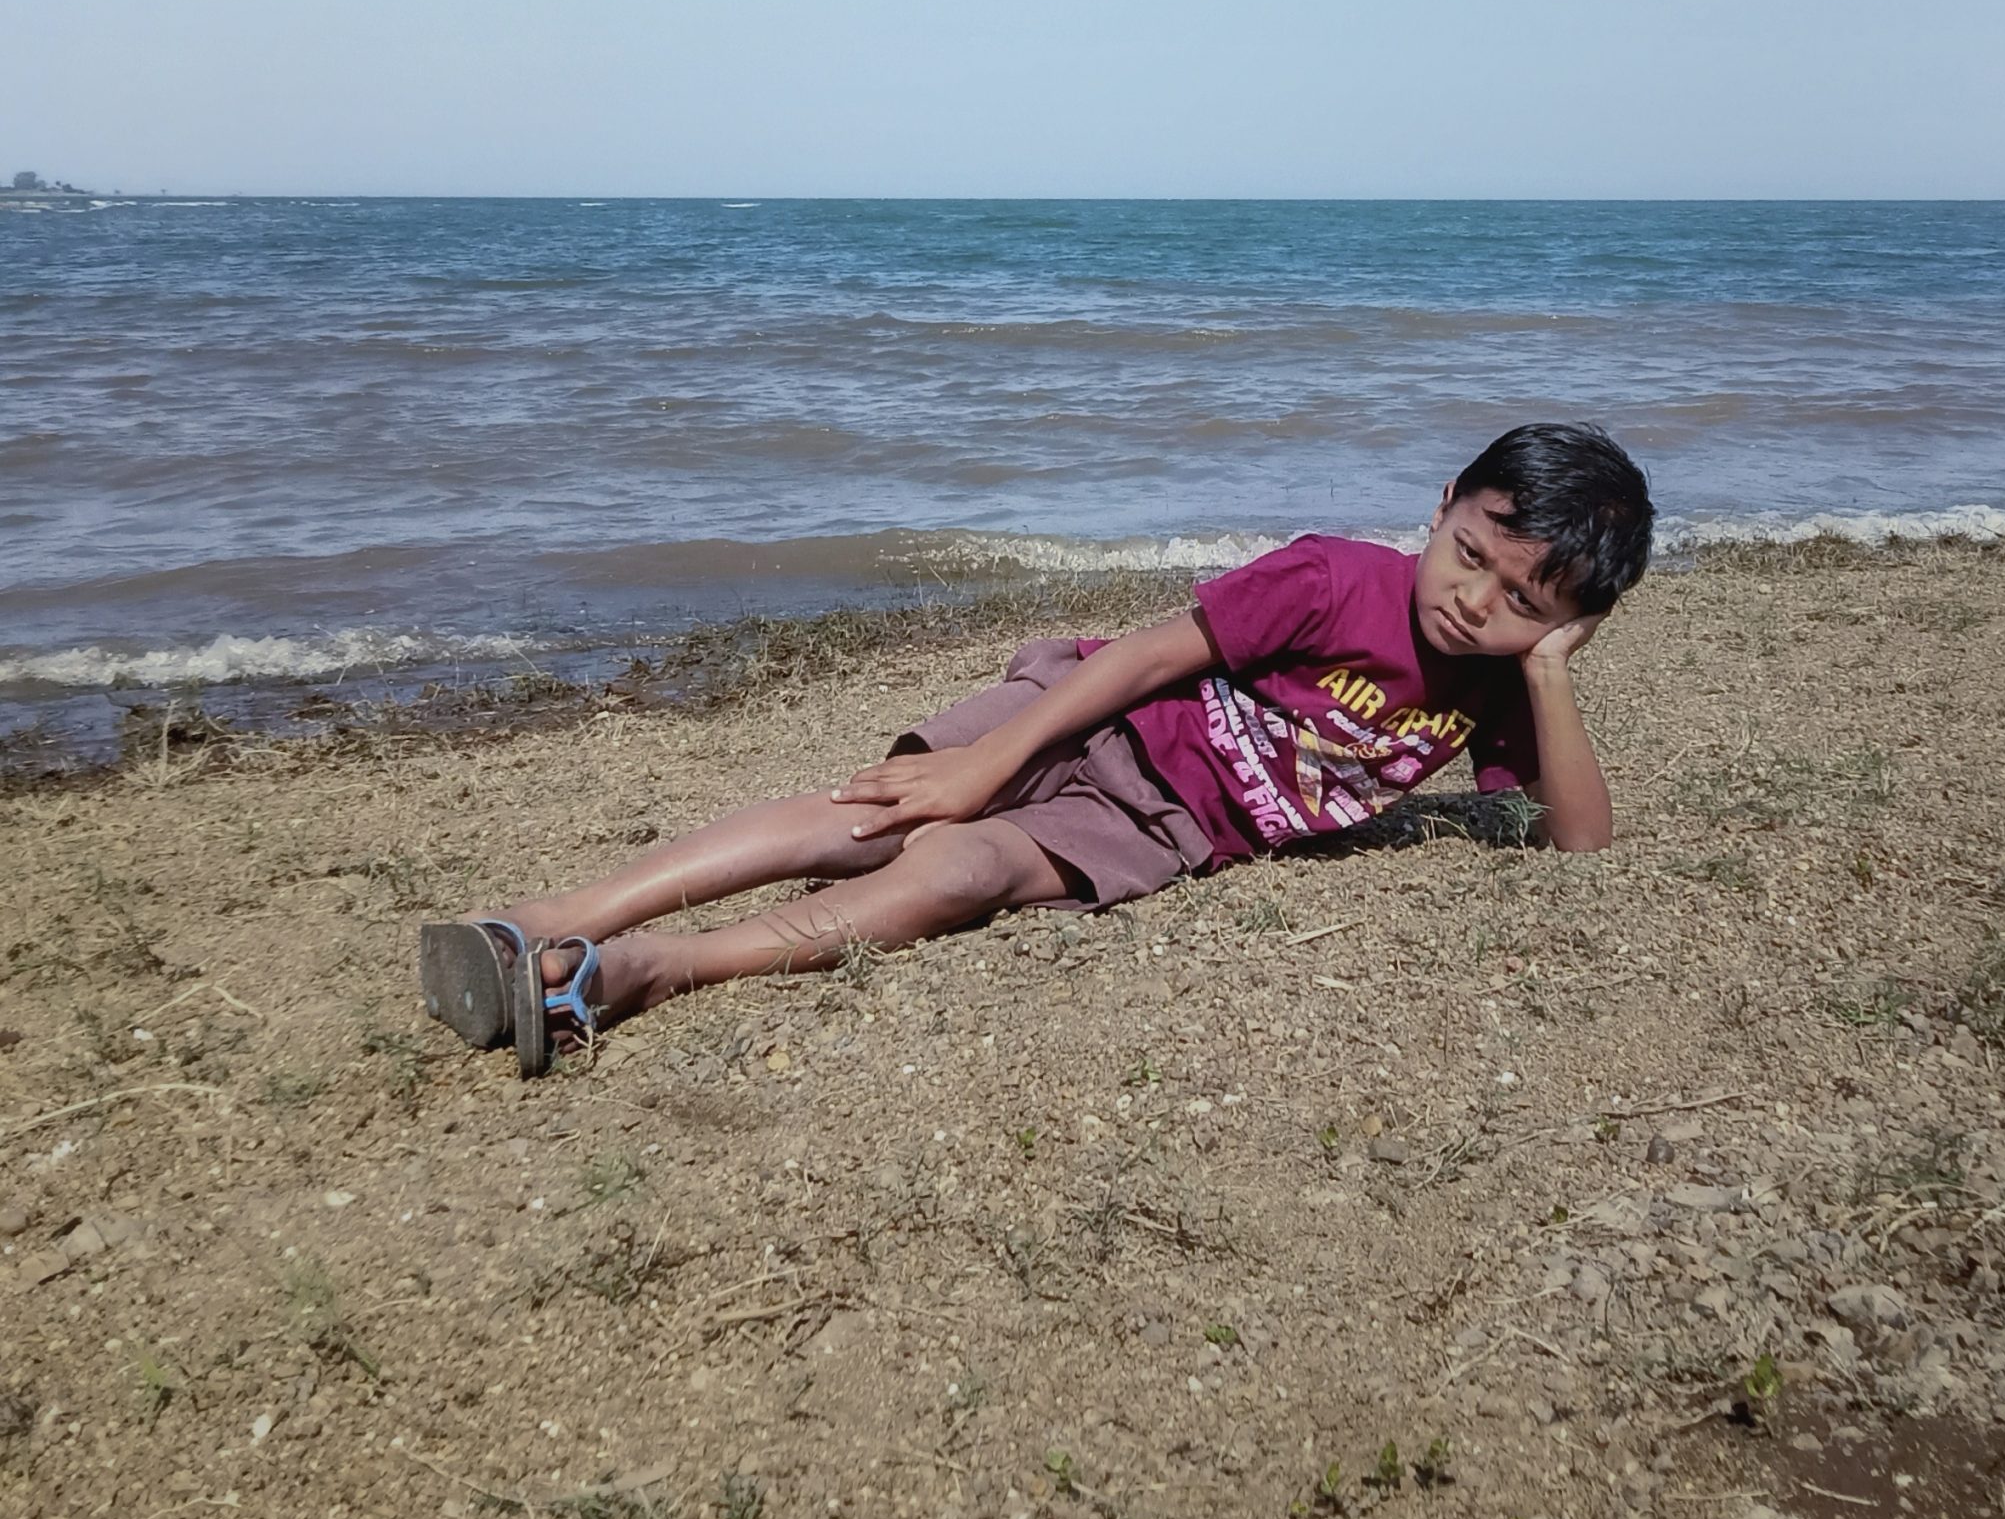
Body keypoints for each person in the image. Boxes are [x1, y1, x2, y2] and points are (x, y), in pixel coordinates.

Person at [417, 423, 1654, 1075]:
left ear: (1568, 622)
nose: (1476, 602)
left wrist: (1546, 675)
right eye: (1472, 554)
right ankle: (550, 917)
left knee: (955, 880)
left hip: (1161, 827)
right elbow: (1151, 656)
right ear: (1441, 505)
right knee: (873, 824)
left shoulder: (1501, 684)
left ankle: (642, 970)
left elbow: (1580, 844)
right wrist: (983, 759)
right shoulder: (1337, 577)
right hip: (1091, 719)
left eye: (1526, 603)